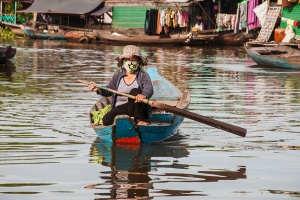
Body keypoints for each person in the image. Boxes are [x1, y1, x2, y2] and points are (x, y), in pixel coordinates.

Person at [88, 45, 154, 126]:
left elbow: (149, 88)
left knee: (134, 91)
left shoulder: (143, 75)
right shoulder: (118, 74)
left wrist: (143, 95)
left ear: (139, 61)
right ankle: (130, 119)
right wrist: (98, 89)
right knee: (106, 120)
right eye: (128, 59)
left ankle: (138, 119)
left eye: (134, 59)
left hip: (138, 109)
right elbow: (109, 90)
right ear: (123, 60)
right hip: (122, 108)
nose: (131, 61)